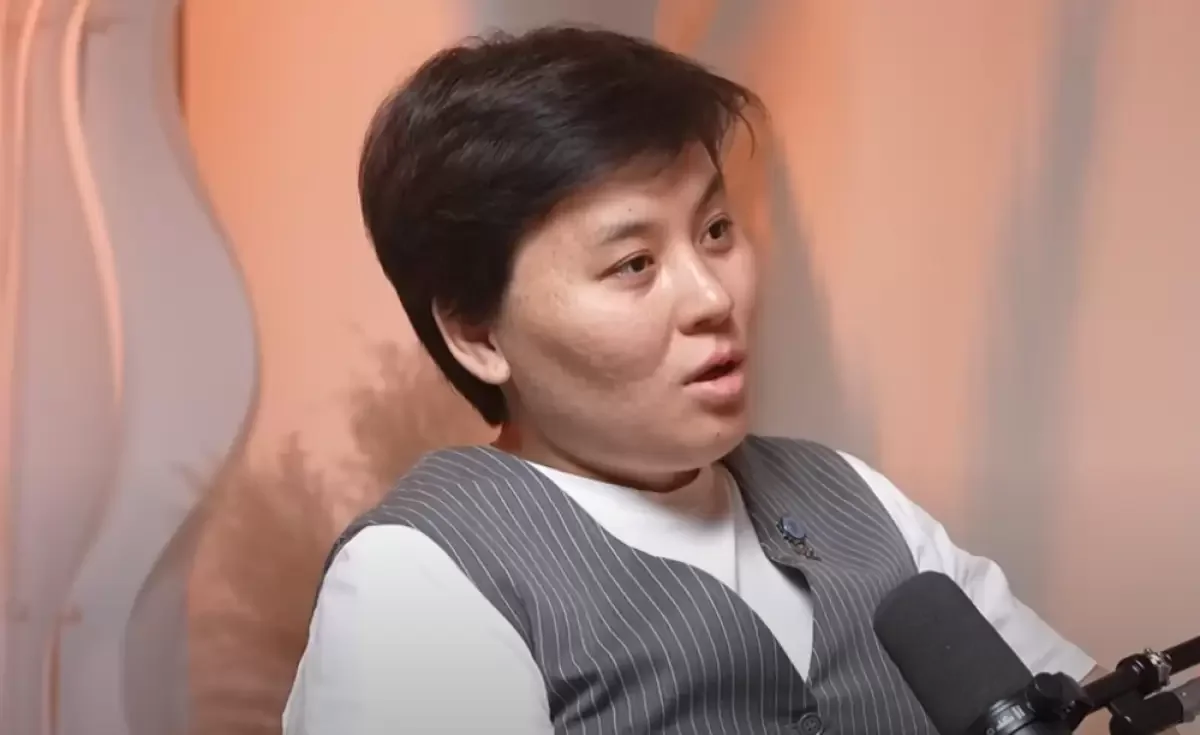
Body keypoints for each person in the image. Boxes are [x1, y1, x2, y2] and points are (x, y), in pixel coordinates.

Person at [282, 26, 1131, 735]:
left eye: (717, 229)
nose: (713, 297)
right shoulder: (417, 581)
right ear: (477, 334)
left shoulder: (854, 497)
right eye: (634, 263)